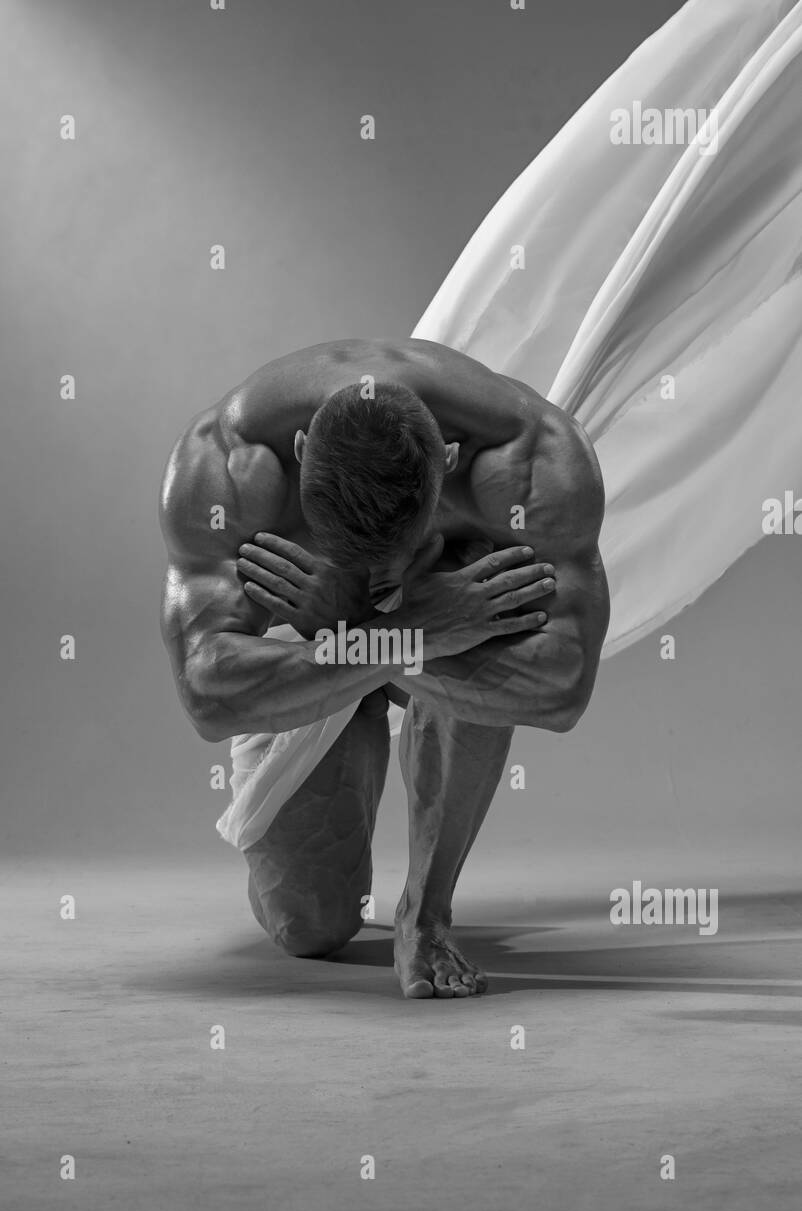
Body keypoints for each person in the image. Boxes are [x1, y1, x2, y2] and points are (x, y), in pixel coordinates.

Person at [160, 337, 610, 998]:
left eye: (395, 556)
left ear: (450, 464)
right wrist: (402, 628)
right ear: (304, 450)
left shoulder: (532, 464)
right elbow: (209, 698)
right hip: (325, 646)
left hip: (329, 653)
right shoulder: (226, 465)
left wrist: (350, 631)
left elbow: (559, 688)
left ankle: (425, 917)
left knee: (487, 612)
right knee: (311, 927)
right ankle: (363, 703)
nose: (381, 582)